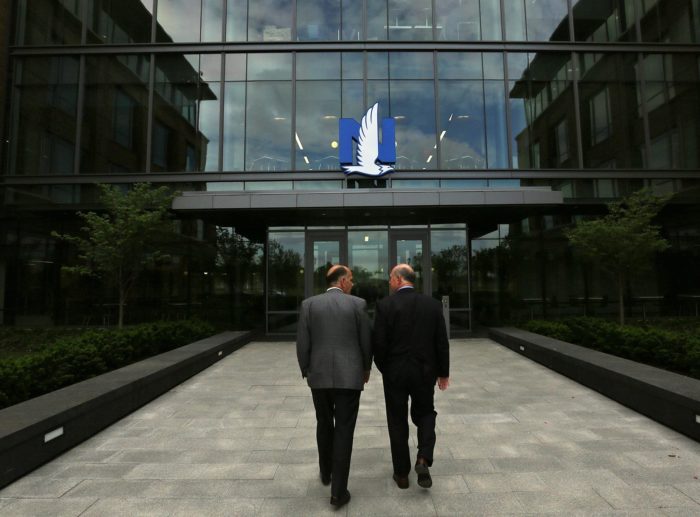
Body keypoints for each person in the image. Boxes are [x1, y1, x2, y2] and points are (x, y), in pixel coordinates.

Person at [296, 264, 372, 509]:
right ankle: (338, 493)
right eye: (350, 278)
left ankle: (326, 472)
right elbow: (365, 341)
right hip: (350, 378)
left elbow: (302, 342)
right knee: (344, 430)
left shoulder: (309, 305)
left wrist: (306, 368)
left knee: (324, 422)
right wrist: (366, 368)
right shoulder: (357, 304)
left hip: (318, 377)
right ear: (341, 281)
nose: (352, 282)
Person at [372, 263, 450, 490]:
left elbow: (379, 344)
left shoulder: (385, 305)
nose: (388, 282)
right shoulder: (432, 305)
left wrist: (386, 368)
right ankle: (423, 458)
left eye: (390, 278)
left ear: (398, 279)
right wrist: (443, 373)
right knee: (426, 413)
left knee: (397, 421)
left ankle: (402, 475)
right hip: (424, 372)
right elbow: (441, 342)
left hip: (395, 373)